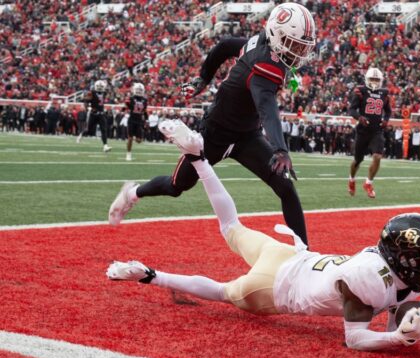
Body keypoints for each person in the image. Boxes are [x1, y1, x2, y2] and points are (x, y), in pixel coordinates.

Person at [107, 123, 420, 351]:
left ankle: (198, 158)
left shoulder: (389, 271)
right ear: (403, 257)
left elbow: (396, 310)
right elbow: (356, 339)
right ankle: (152, 276)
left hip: (288, 255)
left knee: (231, 227)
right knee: (223, 292)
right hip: (274, 287)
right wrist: (399, 338)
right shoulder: (368, 279)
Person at [108, 3, 316, 245]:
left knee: (285, 187)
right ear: (276, 35)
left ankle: (304, 254)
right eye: (294, 44)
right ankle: (131, 194)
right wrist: (280, 149)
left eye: (302, 46)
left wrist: (203, 78)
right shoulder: (265, 64)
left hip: (247, 136)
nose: (299, 52)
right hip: (214, 134)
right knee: (176, 186)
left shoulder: (262, 45)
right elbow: (267, 108)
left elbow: (226, 45)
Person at [347, 67, 391, 198]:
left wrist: (386, 120)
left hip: (376, 130)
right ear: (367, 79)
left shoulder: (384, 93)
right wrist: (360, 118)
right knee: (357, 160)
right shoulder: (360, 91)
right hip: (362, 131)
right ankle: (351, 180)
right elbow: (352, 110)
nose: (374, 82)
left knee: (377, 156)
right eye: (372, 79)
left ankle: (368, 183)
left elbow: (388, 111)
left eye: (377, 79)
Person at [77, 80, 112, 152]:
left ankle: (105, 146)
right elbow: (86, 100)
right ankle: (81, 134)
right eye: (98, 86)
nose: (99, 88)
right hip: (94, 114)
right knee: (88, 129)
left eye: (101, 87)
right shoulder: (92, 93)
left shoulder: (104, 93)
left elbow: (109, 92)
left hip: (101, 114)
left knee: (104, 130)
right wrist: (86, 106)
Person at [125, 83, 148, 161]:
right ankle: (128, 154)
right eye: (137, 90)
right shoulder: (131, 98)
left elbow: (144, 111)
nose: (138, 91)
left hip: (139, 121)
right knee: (130, 138)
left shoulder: (144, 100)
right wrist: (128, 102)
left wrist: (146, 120)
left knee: (139, 141)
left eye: (140, 90)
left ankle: (132, 139)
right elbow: (128, 105)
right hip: (132, 120)